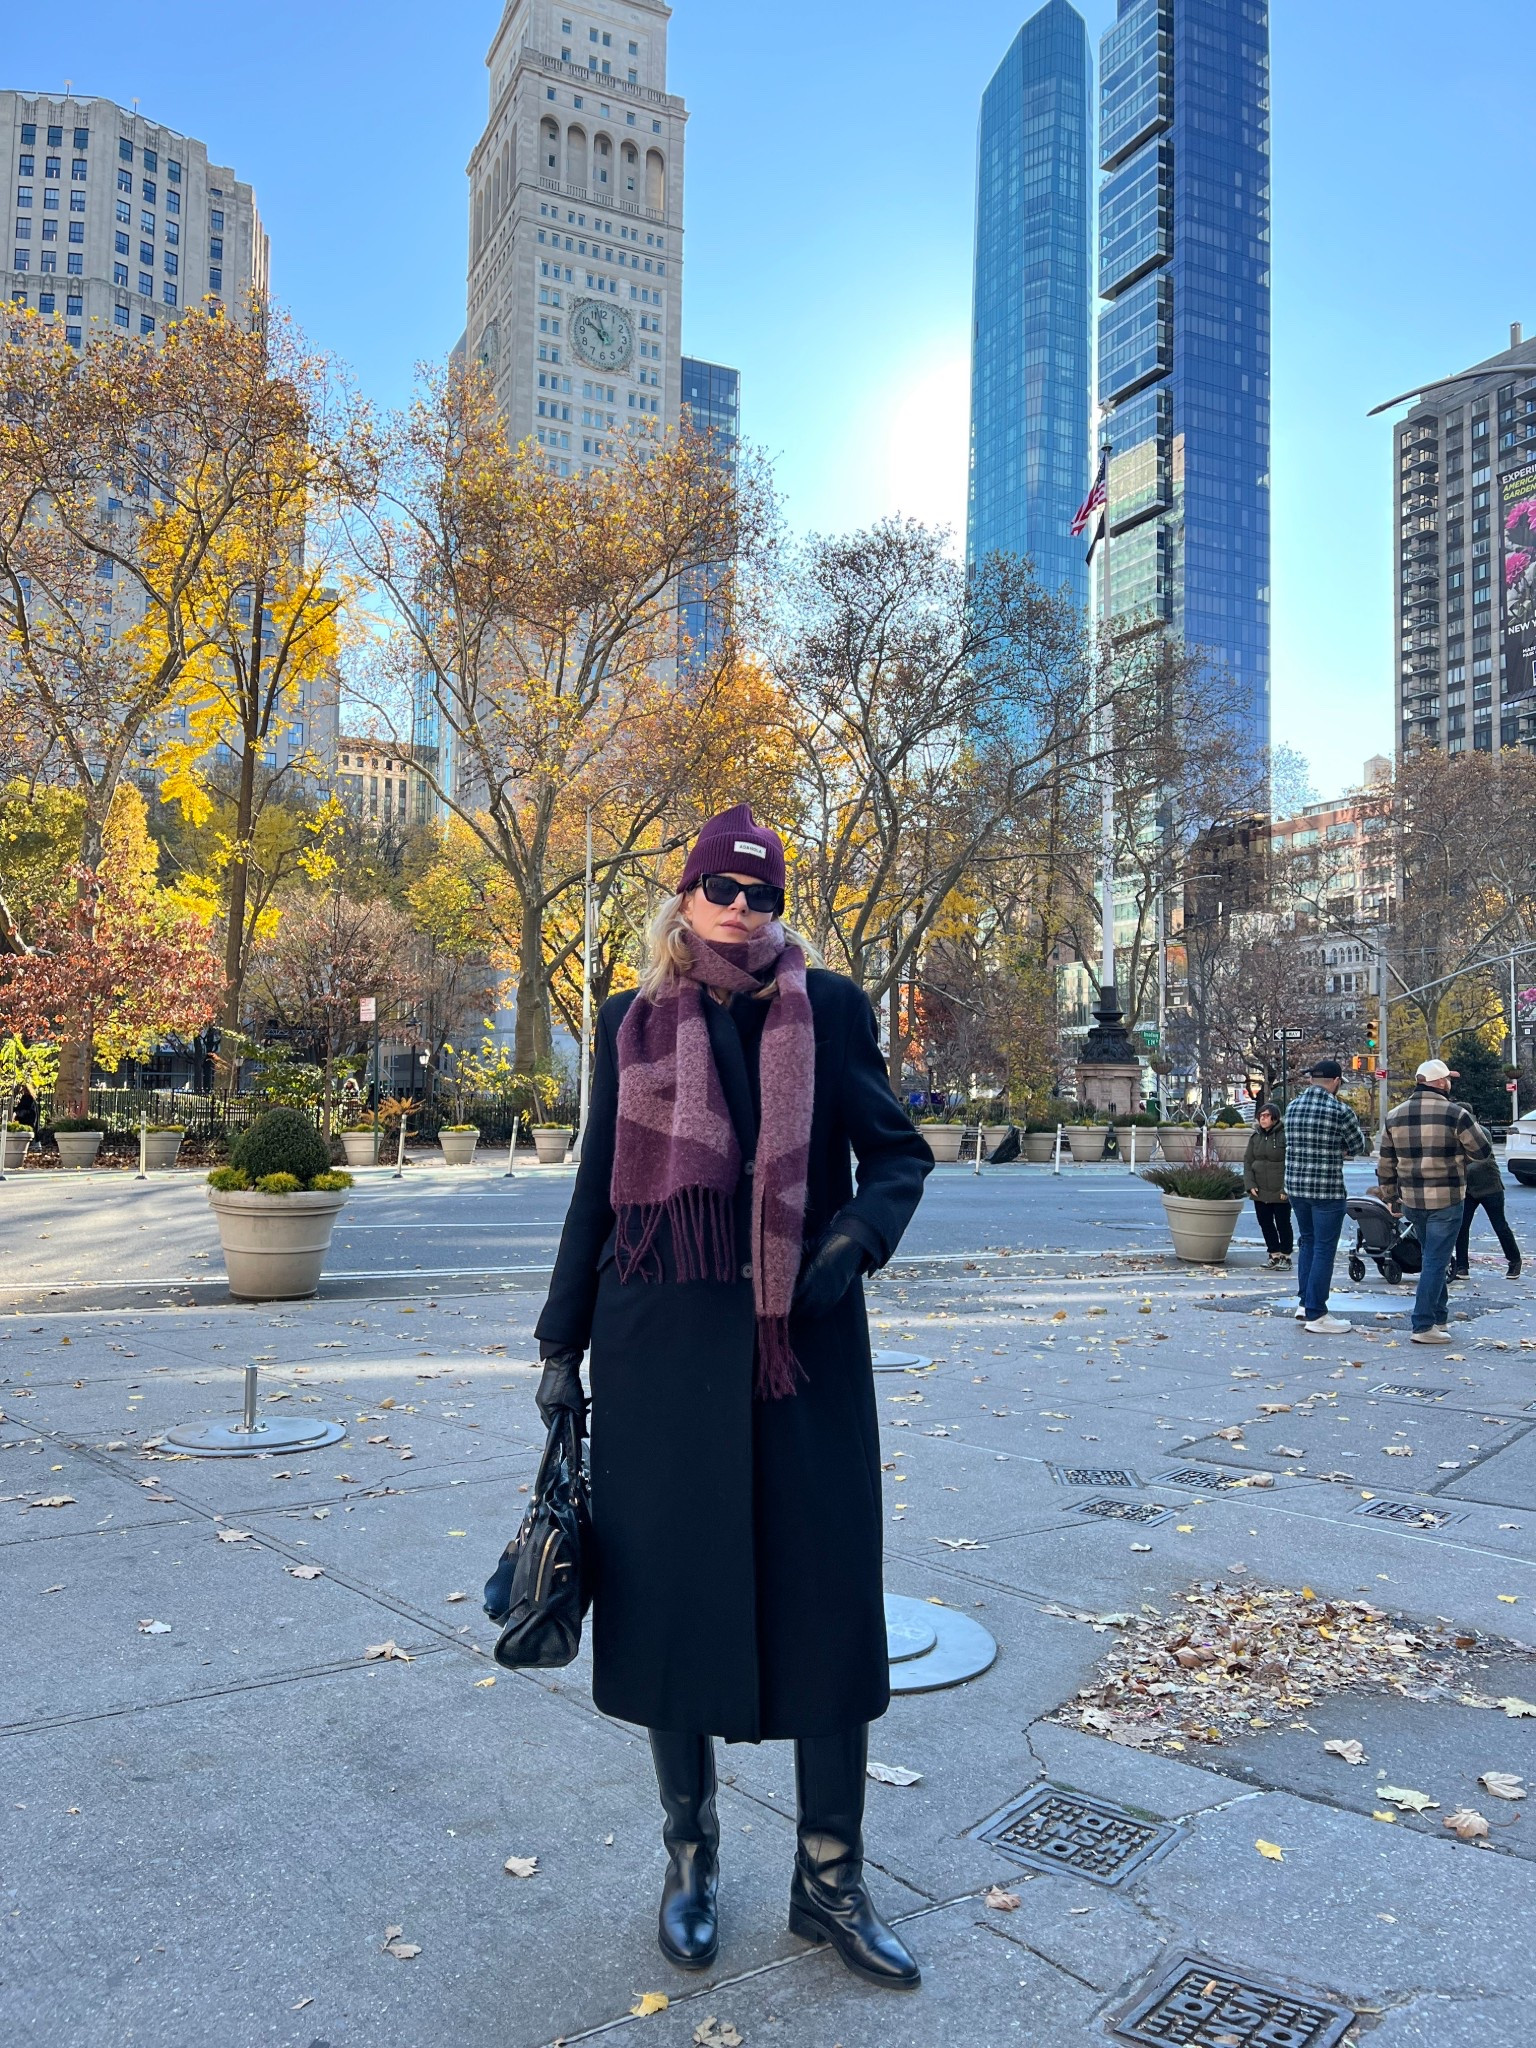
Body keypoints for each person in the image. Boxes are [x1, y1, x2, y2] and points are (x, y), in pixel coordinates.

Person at [533, 804, 933, 1990]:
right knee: (673, 1597)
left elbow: (898, 1151)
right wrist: (561, 1342)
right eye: (725, 890)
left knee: (824, 1592)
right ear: (688, 893)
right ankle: (691, 1856)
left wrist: (855, 1238)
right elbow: (601, 1189)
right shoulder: (632, 1021)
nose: (745, 911)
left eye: (764, 894)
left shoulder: (836, 1007)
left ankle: (831, 1875)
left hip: (800, 1348)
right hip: (659, 1349)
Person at [1377, 1058, 1496, 1344]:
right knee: (1435, 1260)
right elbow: (1483, 1150)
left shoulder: (1394, 1115)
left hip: (1412, 1200)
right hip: (1447, 1197)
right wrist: (1461, 1157)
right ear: (1441, 1082)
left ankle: (1439, 1315)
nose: (1449, 1083)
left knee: (1433, 1255)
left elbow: (1385, 1164)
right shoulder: (1456, 1114)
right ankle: (1423, 1324)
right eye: (1448, 1079)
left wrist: (1391, 1198)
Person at [1283, 1060, 1369, 1334]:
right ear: (1335, 1081)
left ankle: (1304, 1302)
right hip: (1327, 1189)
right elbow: (1358, 1146)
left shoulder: (1292, 1108)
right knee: (1324, 1248)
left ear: (1311, 1080)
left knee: (1306, 1242)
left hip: (1296, 1187)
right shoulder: (1339, 1110)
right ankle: (1317, 1312)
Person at [1451, 1112, 1522, 1280]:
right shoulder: (1452, 1136)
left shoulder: (1482, 1132)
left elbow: (1479, 1160)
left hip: (1490, 1186)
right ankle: (1462, 1267)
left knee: (1499, 1225)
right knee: (1461, 1226)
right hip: (1468, 1189)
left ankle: (1514, 1261)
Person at [1243, 1103, 1291, 1267]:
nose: (1262, 1119)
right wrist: (1250, 1184)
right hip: (1260, 1188)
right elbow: (1248, 1161)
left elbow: (1291, 1162)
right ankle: (1274, 1254)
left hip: (1279, 1189)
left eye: (1266, 1116)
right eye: (1260, 1116)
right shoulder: (1255, 1137)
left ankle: (1286, 1255)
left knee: (1283, 1223)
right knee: (1265, 1222)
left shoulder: (1285, 1135)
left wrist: (1286, 1187)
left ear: (1275, 1117)